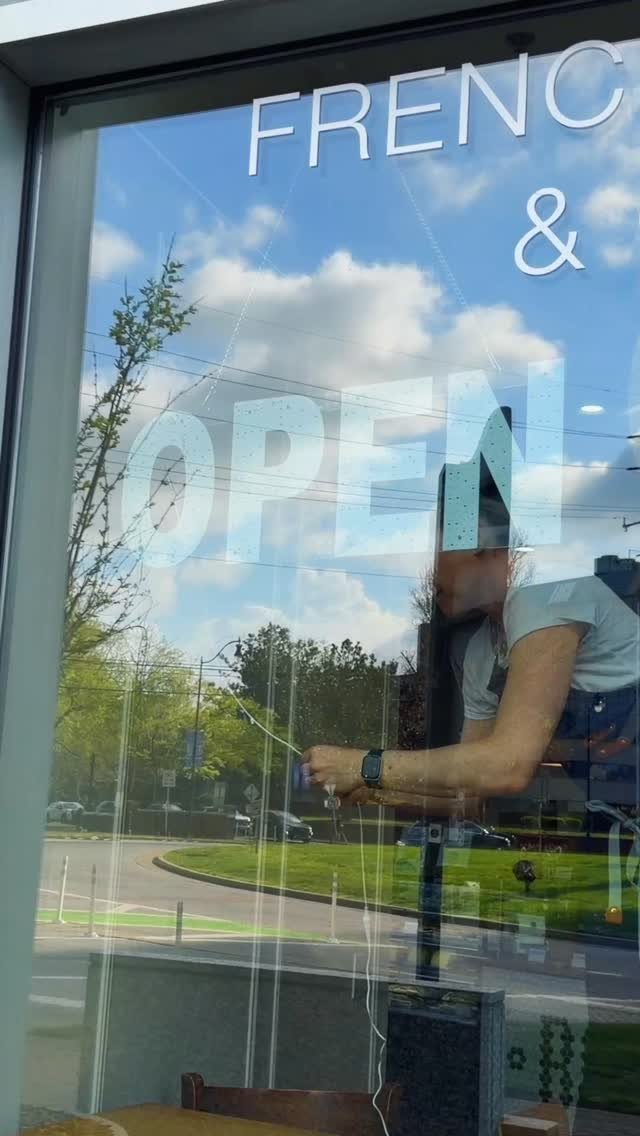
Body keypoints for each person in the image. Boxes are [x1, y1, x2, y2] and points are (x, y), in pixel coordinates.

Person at [305, 508, 640, 817]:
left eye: (441, 549)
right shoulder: (482, 653)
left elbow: (507, 767)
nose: (430, 567)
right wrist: (376, 792)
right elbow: (470, 795)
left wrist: (365, 766)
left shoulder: (545, 598)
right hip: (616, 808)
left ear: (491, 552)